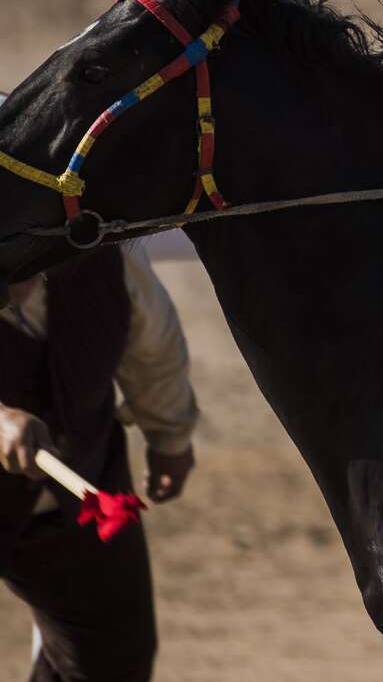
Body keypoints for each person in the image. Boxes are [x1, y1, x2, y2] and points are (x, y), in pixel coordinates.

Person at [1, 237, 200, 682]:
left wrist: (170, 436)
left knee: (112, 661)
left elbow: (152, 336)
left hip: (78, 494)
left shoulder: (98, 240)